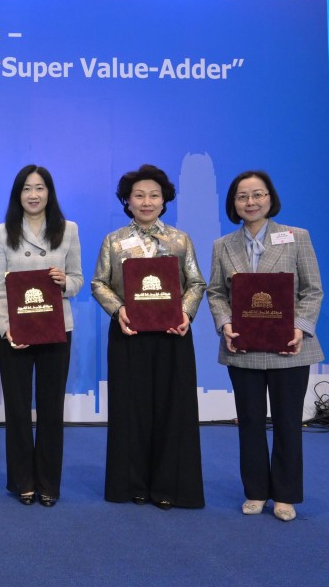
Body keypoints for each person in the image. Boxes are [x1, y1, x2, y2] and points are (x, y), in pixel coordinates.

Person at [206, 171, 322, 522]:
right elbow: (215, 292)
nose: (251, 202)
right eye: (243, 196)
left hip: (290, 347)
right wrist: (225, 323)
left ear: (271, 198)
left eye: (258, 195)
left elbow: (312, 290)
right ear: (234, 204)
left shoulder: (297, 237)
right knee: (251, 422)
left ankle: (285, 495)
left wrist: (300, 327)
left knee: (288, 422)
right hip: (243, 348)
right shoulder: (222, 245)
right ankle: (256, 491)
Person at [90, 164, 205, 510]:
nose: (146, 201)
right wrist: (117, 309)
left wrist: (185, 312)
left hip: (173, 334)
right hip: (129, 333)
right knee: (131, 410)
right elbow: (99, 283)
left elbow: (197, 283)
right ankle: (132, 485)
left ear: (164, 199)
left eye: (154, 195)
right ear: (127, 201)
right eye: (138, 195)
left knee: (173, 410)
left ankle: (170, 486)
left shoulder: (180, 239)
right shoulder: (113, 241)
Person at [0, 165, 82, 507]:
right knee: (16, 409)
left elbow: (77, 280)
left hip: (56, 330)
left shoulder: (68, 229)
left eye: (40, 188)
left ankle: (48, 484)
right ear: (18, 194)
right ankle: (22, 482)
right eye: (27, 188)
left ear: (49, 193)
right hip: (15, 332)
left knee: (50, 408)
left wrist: (64, 282)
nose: (33, 194)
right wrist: (5, 328)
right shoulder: (2, 232)